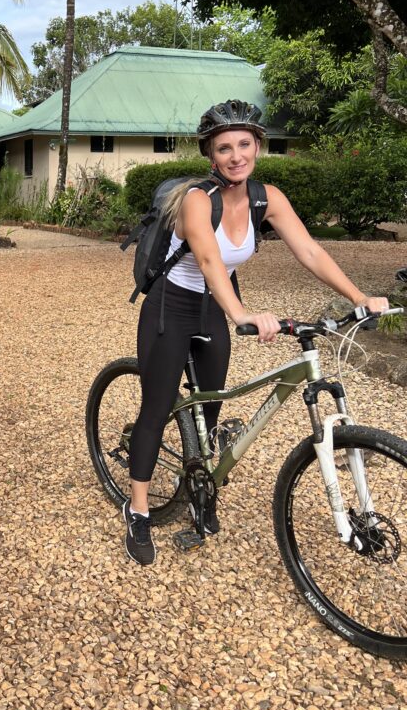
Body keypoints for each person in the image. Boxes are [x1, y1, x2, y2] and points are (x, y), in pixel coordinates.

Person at [123, 99, 389, 567]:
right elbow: (207, 261)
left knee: (211, 404)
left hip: (212, 307)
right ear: (210, 155)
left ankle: (200, 483)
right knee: (158, 404)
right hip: (172, 305)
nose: (236, 155)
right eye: (224, 147)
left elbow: (309, 251)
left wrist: (358, 296)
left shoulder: (268, 198)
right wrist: (242, 313)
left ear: (258, 147)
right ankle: (139, 508)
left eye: (244, 144)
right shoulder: (196, 200)